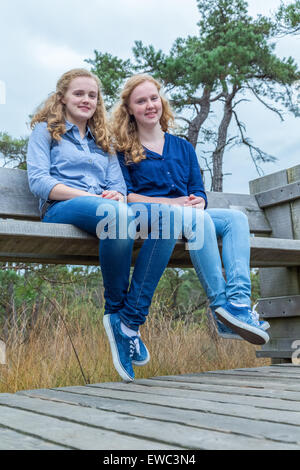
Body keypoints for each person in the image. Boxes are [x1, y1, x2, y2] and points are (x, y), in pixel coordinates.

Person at [26, 68, 182, 383]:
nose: (86, 100)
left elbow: (119, 189)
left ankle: (129, 321)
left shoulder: (103, 141)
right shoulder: (45, 132)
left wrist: (114, 195)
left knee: (169, 219)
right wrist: (94, 197)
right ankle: (115, 309)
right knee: (117, 215)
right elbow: (40, 182)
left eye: (92, 95)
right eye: (79, 94)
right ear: (62, 98)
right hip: (62, 208)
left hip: (107, 212)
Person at [110, 73, 270, 347]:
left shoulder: (182, 146)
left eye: (153, 98)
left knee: (236, 219)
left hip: (189, 217)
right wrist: (175, 204)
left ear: (161, 101)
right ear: (129, 109)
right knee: (195, 219)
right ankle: (221, 310)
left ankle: (239, 304)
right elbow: (127, 196)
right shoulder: (124, 148)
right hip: (152, 218)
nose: (149, 105)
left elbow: (197, 190)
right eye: (141, 101)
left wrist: (198, 201)